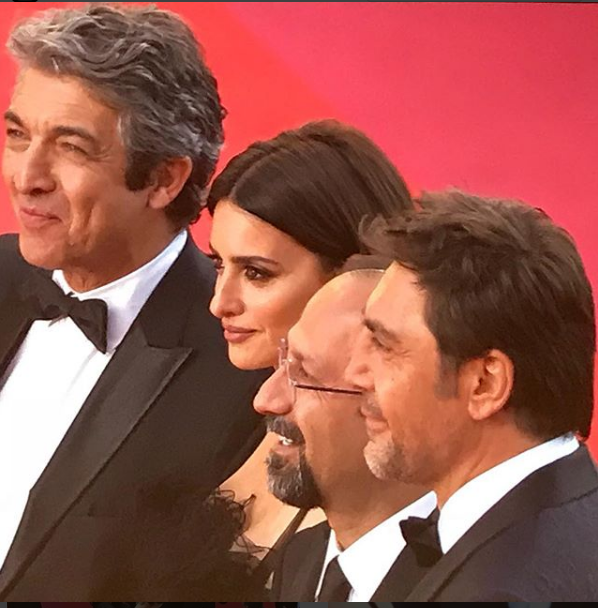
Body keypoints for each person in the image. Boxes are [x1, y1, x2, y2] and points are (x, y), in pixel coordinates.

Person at [0, 4, 268, 599]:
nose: (26, 176)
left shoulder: (243, 371)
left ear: (164, 179)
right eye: (17, 135)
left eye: (70, 147)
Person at [347, 190, 598, 601]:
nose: (355, 373)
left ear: (485, 384)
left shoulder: (506, 589)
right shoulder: (564, 518)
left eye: (385, 345)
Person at [206, 119, 414, 556]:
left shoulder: (385, 458)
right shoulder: (228, 411)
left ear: (351, 274)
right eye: (219, 265)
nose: (220, 303)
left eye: (256, 273)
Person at [254, 268, 434, 601]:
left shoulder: (471, 581)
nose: (266, 400)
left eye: (303, 374)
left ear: (390, 405)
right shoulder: (300, 557)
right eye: (283, 364)